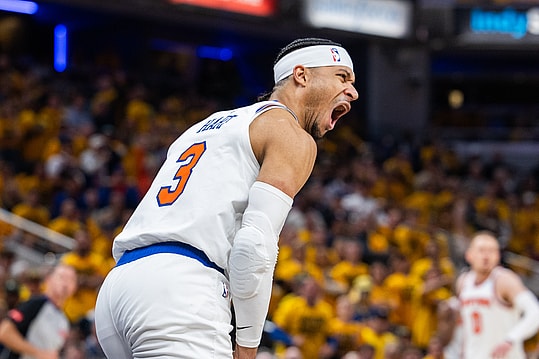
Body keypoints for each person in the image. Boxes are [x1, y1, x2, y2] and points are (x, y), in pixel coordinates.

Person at [94, 37, 358, 359]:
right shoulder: (290, 134)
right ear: (301, 75)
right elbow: (253, 249)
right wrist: (247, 348)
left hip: (119, 287)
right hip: (181, 289)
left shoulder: (203, 126)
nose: (353, 91)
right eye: (342, 77)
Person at [455, 231, 539, 359]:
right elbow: (465, 325)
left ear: (498, 256)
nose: (486, 255)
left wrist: (510, 339)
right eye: (481, 250)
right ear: (469, 255)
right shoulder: (463, 282)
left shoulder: (504, 280)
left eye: (492, 251)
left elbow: (535, 312)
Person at [0, 263, 78, 359]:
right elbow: (4, 332)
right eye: (62, 277)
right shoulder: (37, 303)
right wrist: (38, 353)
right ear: (48, 280)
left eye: (71, 279)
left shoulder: (64, 321)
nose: (66, 283)